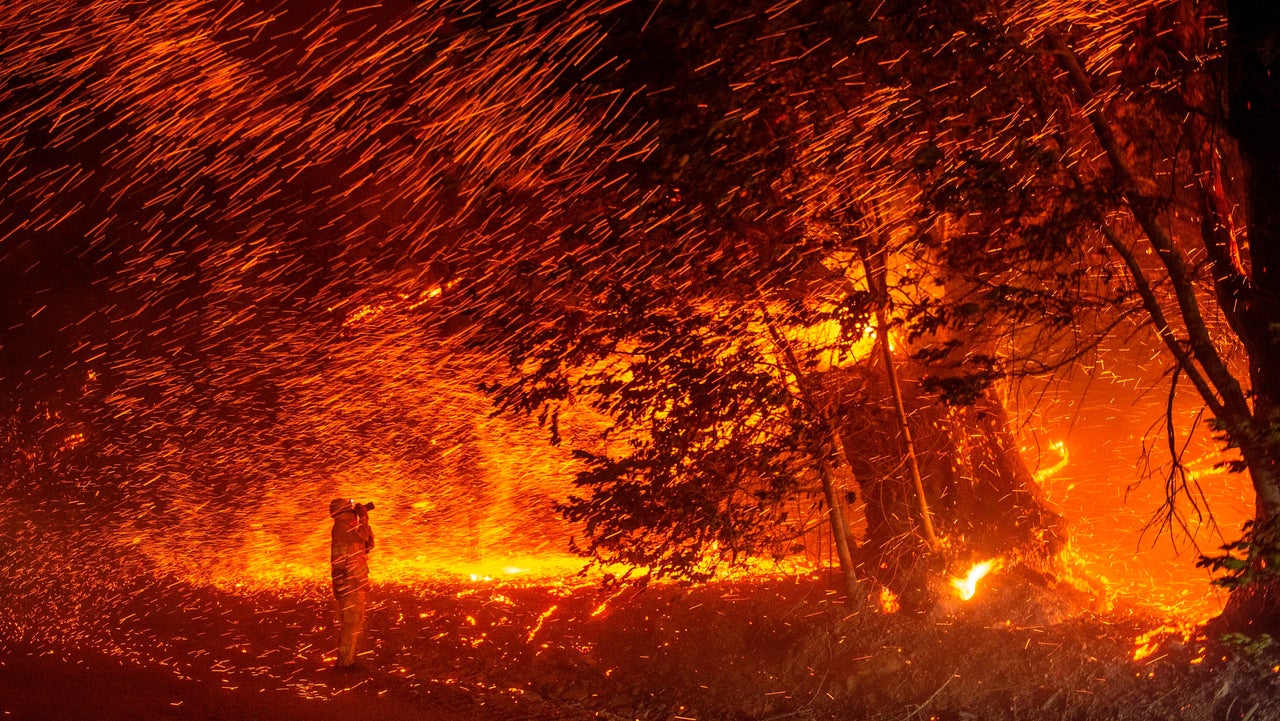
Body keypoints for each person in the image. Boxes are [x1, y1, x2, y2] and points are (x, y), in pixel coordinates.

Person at [329, 498, 374, 669]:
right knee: (350, 623)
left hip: (356, 582)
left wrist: (365, 521)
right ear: (343, 513)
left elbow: (368, 543)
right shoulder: (341, 528)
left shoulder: (351, 528)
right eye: (351, 510)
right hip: (348, 583)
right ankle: (344, 664)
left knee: (355, 622)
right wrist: (363, 518)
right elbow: (362, 535)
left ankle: (348, 660)